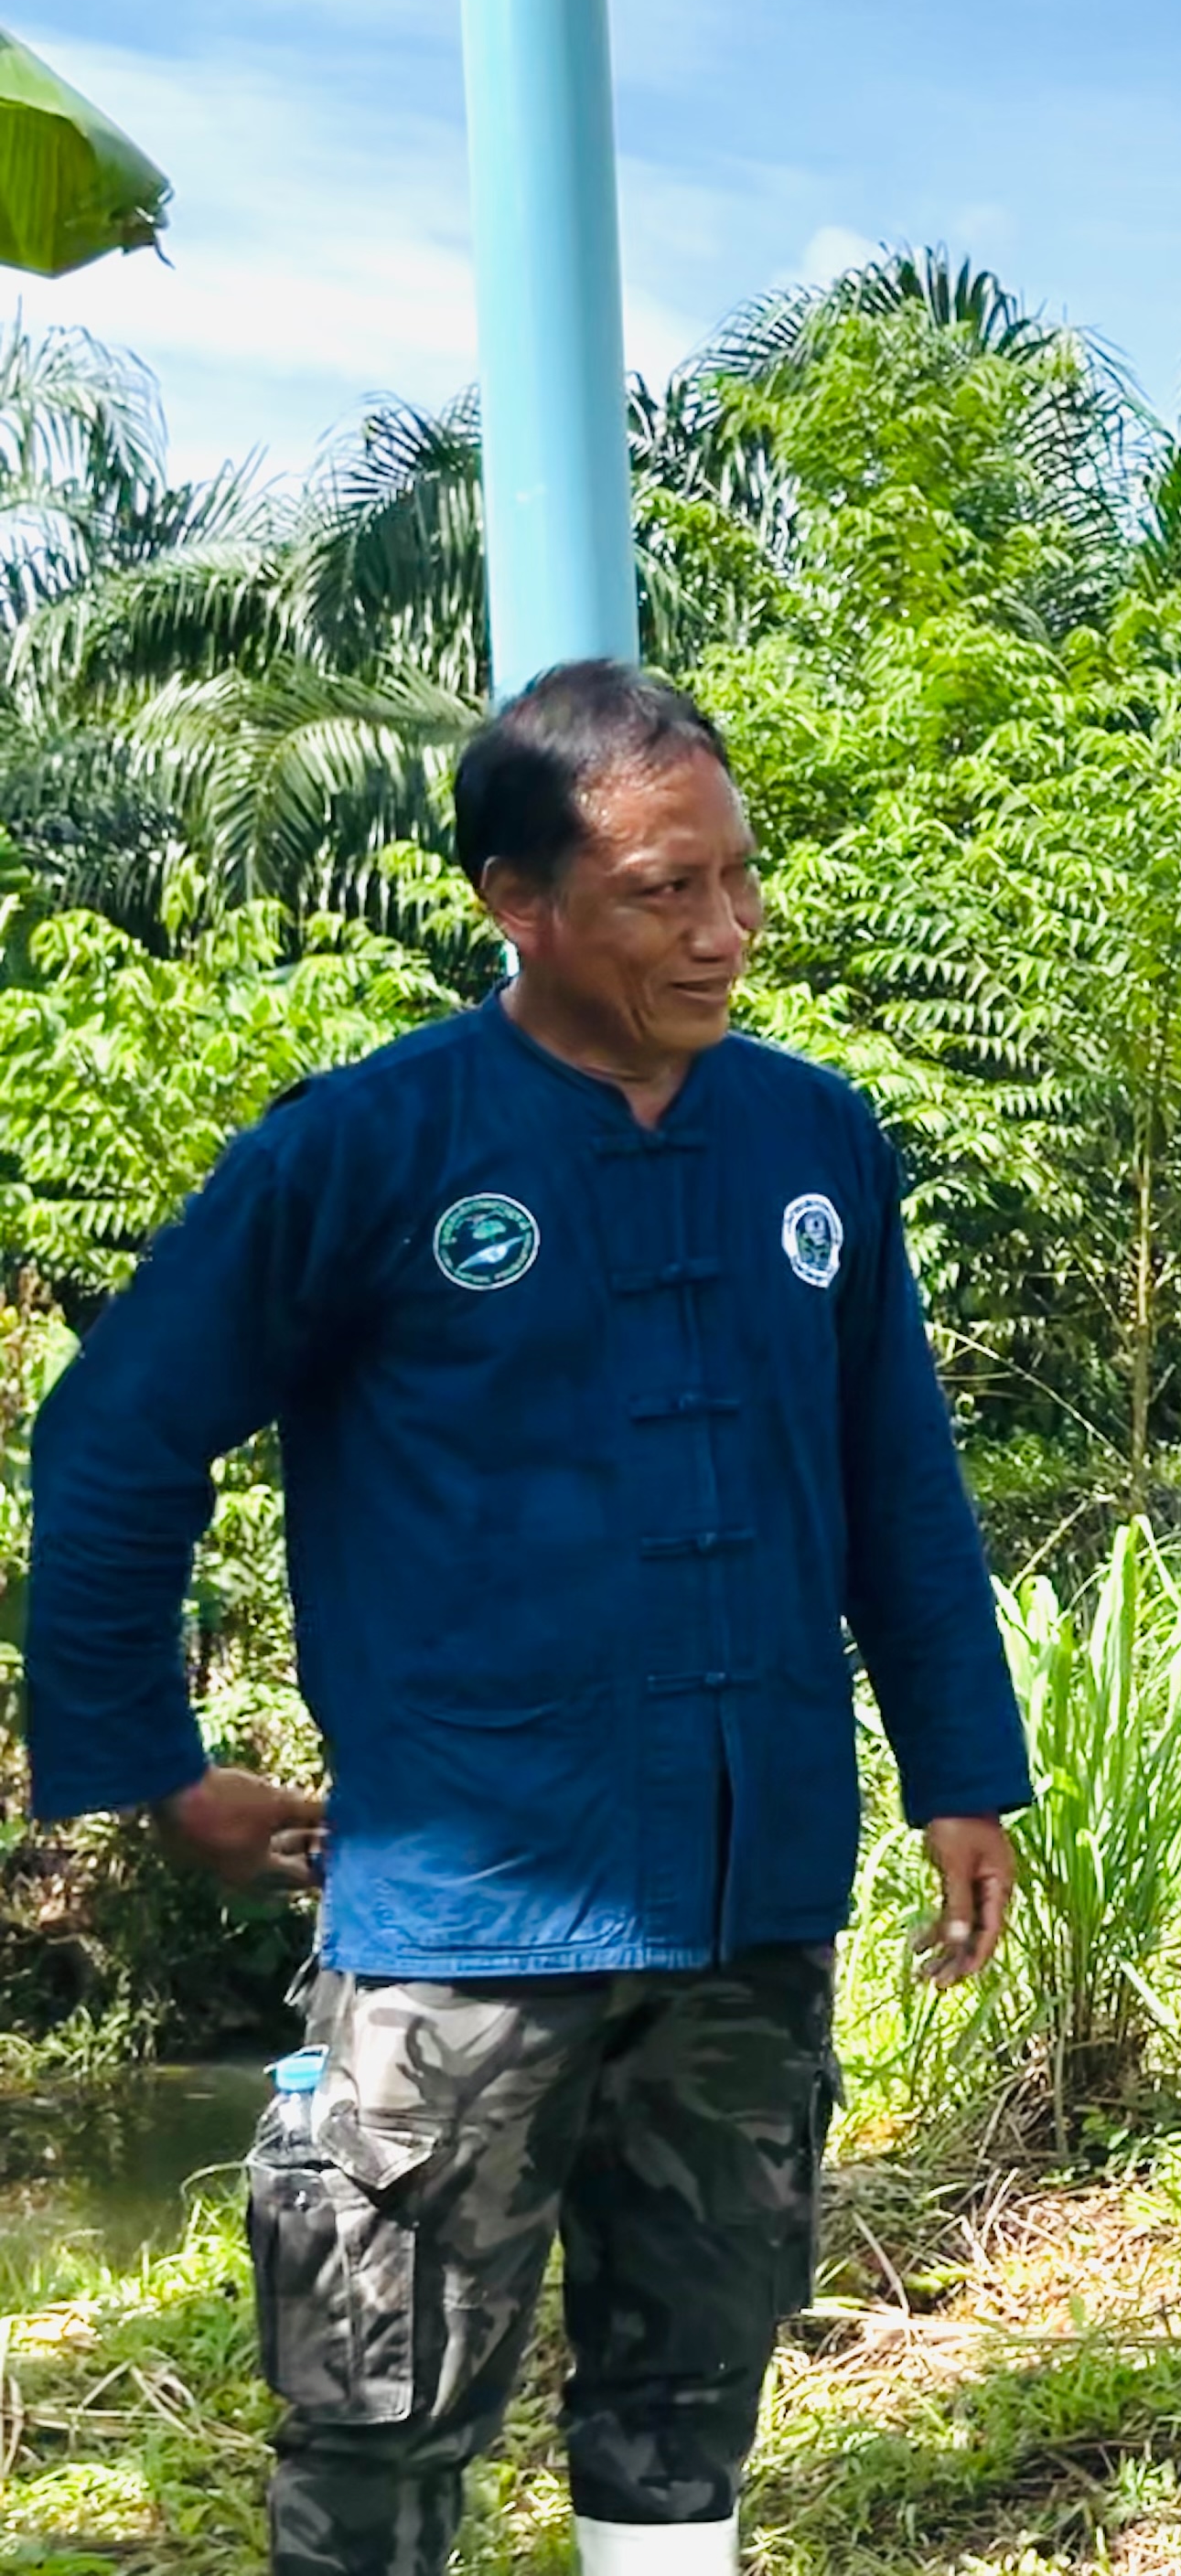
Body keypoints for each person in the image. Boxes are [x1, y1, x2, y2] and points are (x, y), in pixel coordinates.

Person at [19, 663, 1033, 2576]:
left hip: (748, 1901)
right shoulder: (373, 1145)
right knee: (382, 2410)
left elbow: (898, 1480)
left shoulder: (814, 1144)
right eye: (665, 890)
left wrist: (961, 1769)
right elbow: (114, 1438)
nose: (723, 931)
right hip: (466, 1923)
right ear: (518, 899)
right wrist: (152, 1764)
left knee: (691, 2402)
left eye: (741, 880)